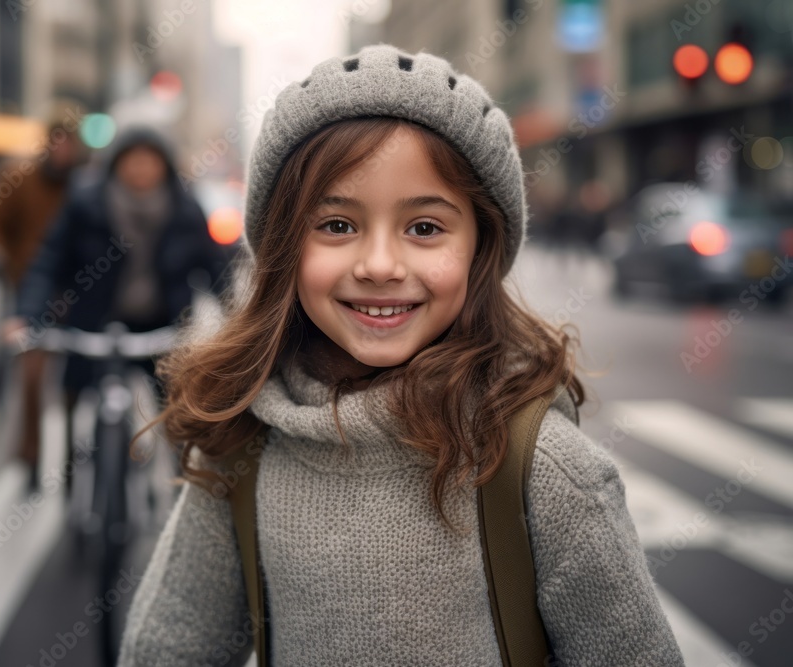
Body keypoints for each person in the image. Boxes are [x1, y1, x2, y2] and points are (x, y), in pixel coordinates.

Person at [119, 46, 685, 665]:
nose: (380, 265)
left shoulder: (545, 470)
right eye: (336, 225)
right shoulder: (241, 444)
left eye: (424, 228)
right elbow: (167, 648)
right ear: (284, 246)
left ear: (481, 248)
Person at [6, 126, 230, 492]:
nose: (141, 169)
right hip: (93, 326)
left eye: (150, 161)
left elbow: (215, 267)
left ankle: (181, 495)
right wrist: (27, 314)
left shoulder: (185, 208)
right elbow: (48, 262)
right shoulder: (85, 203)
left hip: (160, 328)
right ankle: (69, 482)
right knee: (73, 403)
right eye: (132, 161)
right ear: (116, 165)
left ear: (164, 166)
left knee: (176, 418)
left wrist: (241, 320)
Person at [0, 117, 85, 489]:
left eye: (68, 141)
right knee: (32, 378)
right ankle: (31, 453)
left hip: (77, 295)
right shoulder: (19, 180)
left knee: (76, 384)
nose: (62, 149)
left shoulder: (86, 187)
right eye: (56, 141)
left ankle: (72, 457)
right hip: (29, 291)